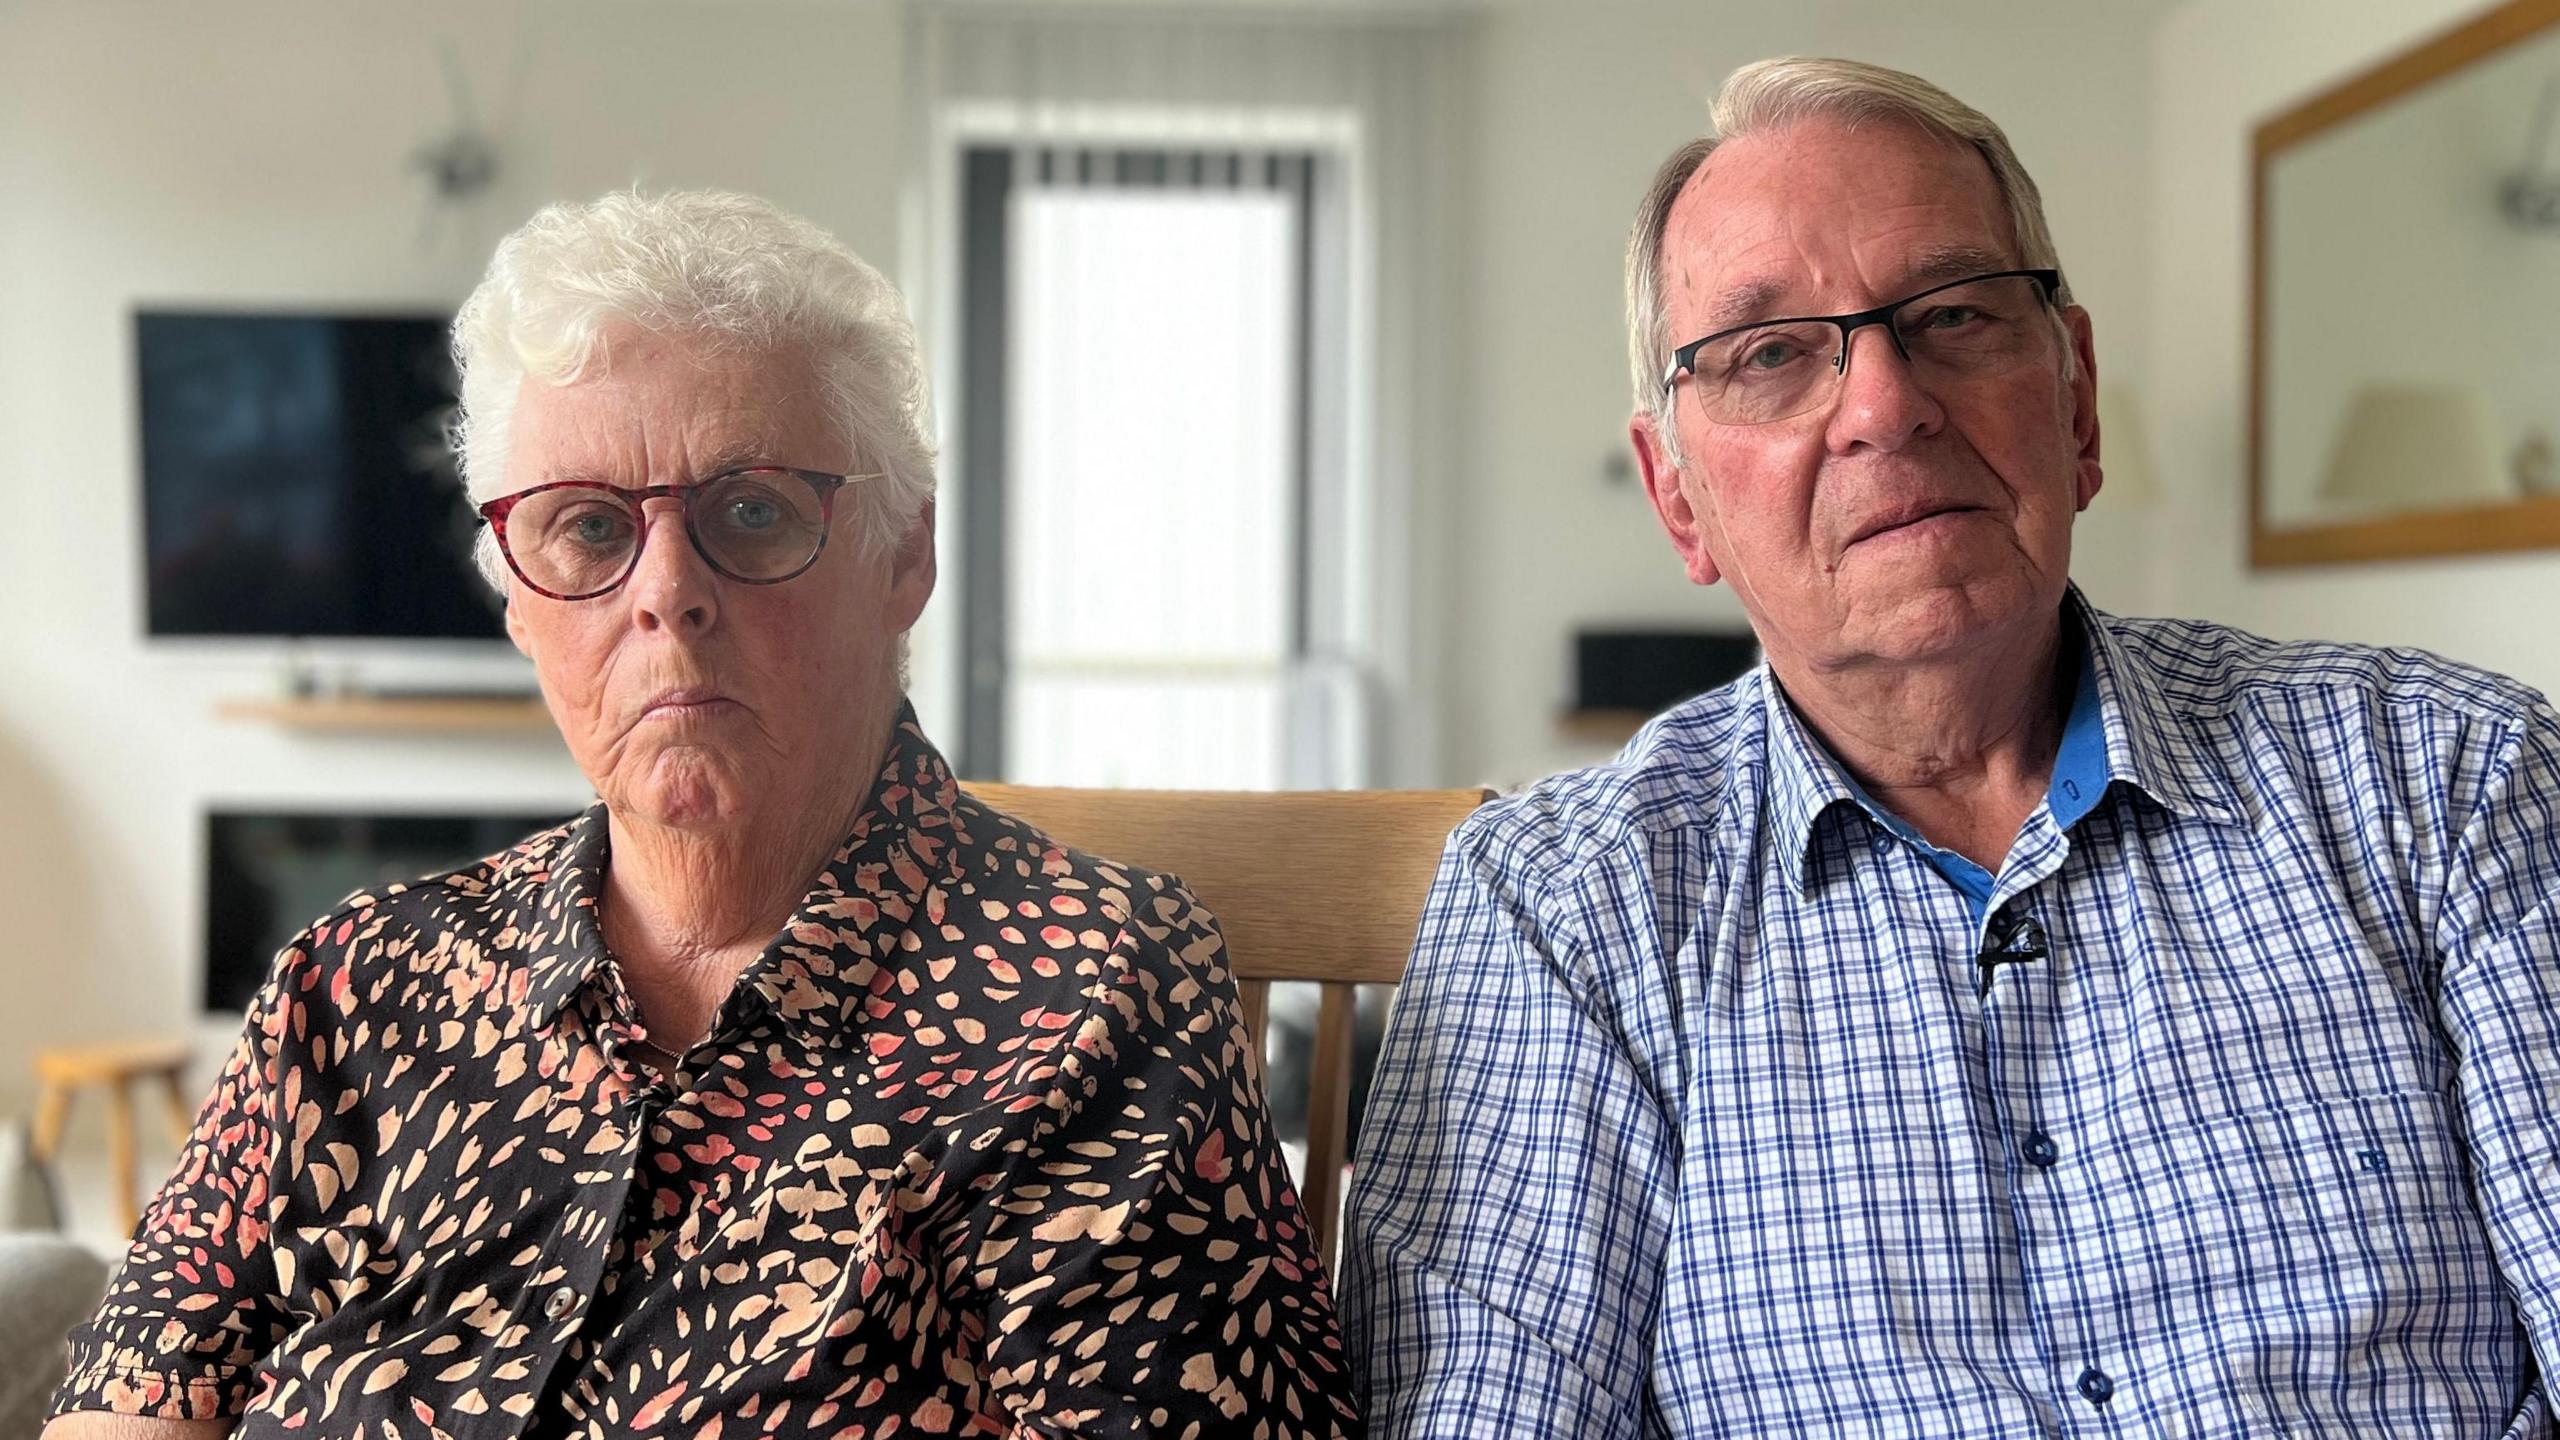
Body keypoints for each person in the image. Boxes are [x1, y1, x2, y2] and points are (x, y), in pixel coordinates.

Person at [1342, 56, 2560, 1437]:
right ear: (1680, 499)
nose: (1883, 406)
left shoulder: (2449, 778)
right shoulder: (1563, 907)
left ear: (2079, 400)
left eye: (1956, 314)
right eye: (1769, 354)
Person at [48, 190, 1361, 1438]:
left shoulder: (1091, 986)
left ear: (906, 555)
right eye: (583, 530)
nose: (665, 594)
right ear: (519, 599)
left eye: (750, 510)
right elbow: (136, 1394)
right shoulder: (353, 984)